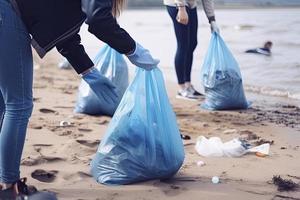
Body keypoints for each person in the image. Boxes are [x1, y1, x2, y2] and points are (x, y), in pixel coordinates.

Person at [0, 0, 158, 199]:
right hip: (6, 13)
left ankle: (4, 183)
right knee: (18, 105)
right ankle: (8, 188)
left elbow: (62, 30)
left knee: (4, 104)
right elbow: (98, 19)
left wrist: (89, 72)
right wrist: (133, 49)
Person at [164, 0, 219, 100]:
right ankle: (182, 89)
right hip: (176, 4)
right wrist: (181, 7)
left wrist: (212, 20)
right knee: (183, 45)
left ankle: (188, 86)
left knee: (192, 44)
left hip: (190, 5)